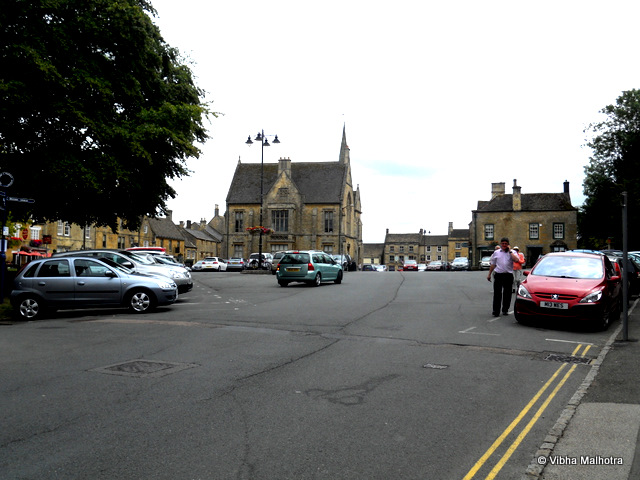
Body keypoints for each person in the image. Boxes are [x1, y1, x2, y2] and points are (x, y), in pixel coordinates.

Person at [487, 237, 521, 316]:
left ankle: (505, 309)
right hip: (498, 274)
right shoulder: (497, 252)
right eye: (503, 243)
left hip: (508, 275)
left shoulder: (512, 252)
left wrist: (510, 251)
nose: (504, 245)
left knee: (507, 293)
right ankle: (496, 311)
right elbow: (493, 264)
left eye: (506, 244)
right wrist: (489, 274)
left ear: (508, 245)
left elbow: (516, 260)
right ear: (501, 244)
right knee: (497, 293)